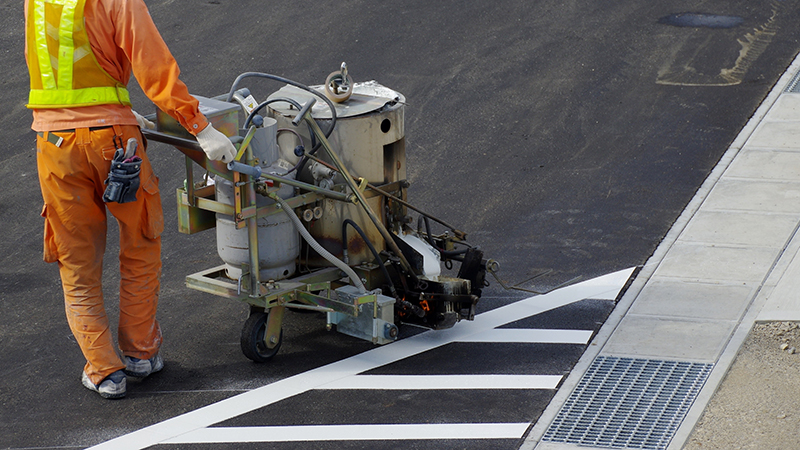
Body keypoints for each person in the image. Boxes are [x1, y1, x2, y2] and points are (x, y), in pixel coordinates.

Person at [24, 0, 237, 399]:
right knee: (140, 242)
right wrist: (200, 127)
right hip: (115, 143)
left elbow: (55, 62)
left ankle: (105, 371)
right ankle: (140, 353)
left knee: (78, 261)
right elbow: (152, 62)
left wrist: (118, 109)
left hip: (55, 146)